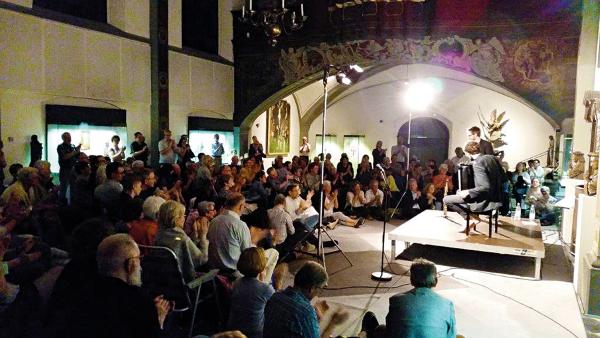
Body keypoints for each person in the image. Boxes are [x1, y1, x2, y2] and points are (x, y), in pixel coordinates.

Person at [63, 234, 171, 338]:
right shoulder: (139, 301)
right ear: (131, 265)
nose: (140, 266)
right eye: (139, 259)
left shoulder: (81, 290)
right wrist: (158, 320)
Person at [361, 259, 456, 338]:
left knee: (372, 320)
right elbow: (451, 335)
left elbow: (391, 329)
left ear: (411, 279)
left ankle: (362, 335)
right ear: (435, 280)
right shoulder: (447, 304)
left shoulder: (396, 300)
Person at [263, 261, 349, 338]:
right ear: (312, 288)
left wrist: (316, 319)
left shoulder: (276, 296)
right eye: (320, 289)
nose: (319, 293)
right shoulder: (306, 312)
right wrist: (333, 323)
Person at [443, 142, 505, 233]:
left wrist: (468, 191)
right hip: (496, 199)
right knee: (458, 193)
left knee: (447, 199)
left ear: (468, 153)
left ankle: (470, 218)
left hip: (484, 200)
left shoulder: (478, 163)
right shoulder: (492, 158)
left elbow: (485, 187)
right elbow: (504, 178)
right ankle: (472, 216)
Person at [154, 200, 208, 282]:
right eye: (183, 215)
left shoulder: (159, 235)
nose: (184, 218)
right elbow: (202, 260)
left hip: (162, 280)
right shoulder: (181, 238)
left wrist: (195, 235)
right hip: (183, 282)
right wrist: (203, 237)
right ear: (176, 218)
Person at [228, 247, 276, 338]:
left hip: (233, 329)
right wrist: (264, 281)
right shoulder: (266, 289)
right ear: (262, 265)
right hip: (254, 333)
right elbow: (275, 305)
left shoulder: (236, 282)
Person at [207, 193, 253, 277]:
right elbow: (247, 254)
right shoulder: (240, 225)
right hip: (233, 275)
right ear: (241, 206)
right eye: (244, 206)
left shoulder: (214, 221)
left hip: (213, 273)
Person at [57, 132, 81, 203]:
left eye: (70, 137)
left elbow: (76, 157)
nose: (69, 139)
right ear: (63, 138)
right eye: (67, 137)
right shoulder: (60, 147)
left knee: (74, 187)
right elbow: (65, 157)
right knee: (63, 188)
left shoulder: (72, 146)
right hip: (65, 169)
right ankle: (62, 204)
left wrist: (78, 150)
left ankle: (73, 203)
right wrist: (74, 152)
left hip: (73, 169)